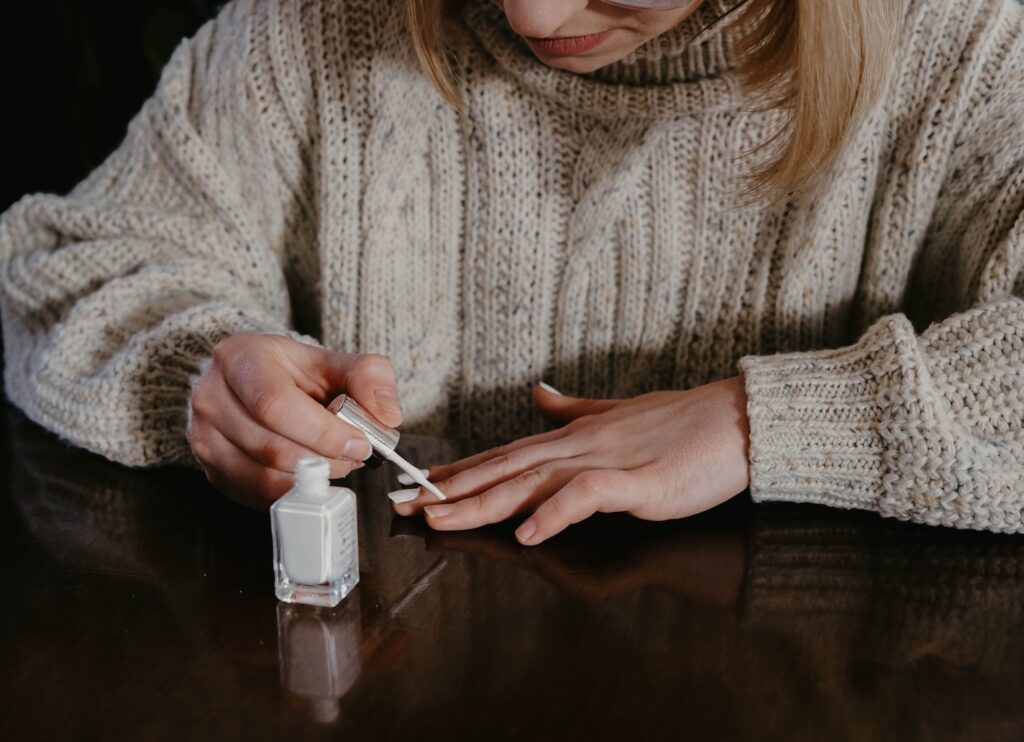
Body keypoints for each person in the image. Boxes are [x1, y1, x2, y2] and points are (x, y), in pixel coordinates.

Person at [1, 0, 1022, 544]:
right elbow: (63, 263)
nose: (534, 15)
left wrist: (768, 422)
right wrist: (194, 372)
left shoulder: (963, 44)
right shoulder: (311, 26)